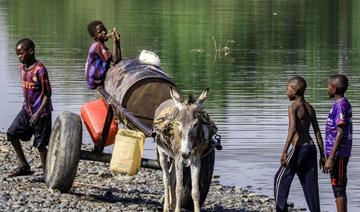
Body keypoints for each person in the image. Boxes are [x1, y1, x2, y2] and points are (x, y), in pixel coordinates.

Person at [274, 76, 325, 212]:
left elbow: (292, 129)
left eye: (288, 89)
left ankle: (280, 209)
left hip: (299, 148)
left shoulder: (293, 107)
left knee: (279, 178)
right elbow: (317, 132)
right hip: (311, 148)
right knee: (311, 186)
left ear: (295, 90)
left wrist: (285, 151)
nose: (286, 92)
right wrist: (322, 154)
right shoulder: (310, 108)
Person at [6, 38, 53, 177]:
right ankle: (24, 165)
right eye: (18, 54)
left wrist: (38, 113)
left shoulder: (40, 70)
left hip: (41, 113)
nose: (19, 57)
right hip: (27, 110)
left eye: (21, 53)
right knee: (11, 133)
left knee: (40, 145)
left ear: (31, 51)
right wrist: (29, 111)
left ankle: (47, 174)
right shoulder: (21, 68)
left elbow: (47, 94)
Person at [323, 74, 352, 212]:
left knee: (339, 187)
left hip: (339, 154)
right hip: (334, 154)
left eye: (328, 86)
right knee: (336, 185)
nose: (327, 89)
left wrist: (331, 158)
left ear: (334, 88)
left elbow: (340, 133)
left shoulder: (341, 105)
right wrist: (326, 155)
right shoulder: (338, 105)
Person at [85, 20, 121, 90]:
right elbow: (115, 60)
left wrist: (117, 41)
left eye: (104, 29)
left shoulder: (101, 45)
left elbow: (118, 60)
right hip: (94, 81)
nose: (104, 32)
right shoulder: (97, 46)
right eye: (100, 32)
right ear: (94, 35)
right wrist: (114, 41)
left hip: (97, 78)